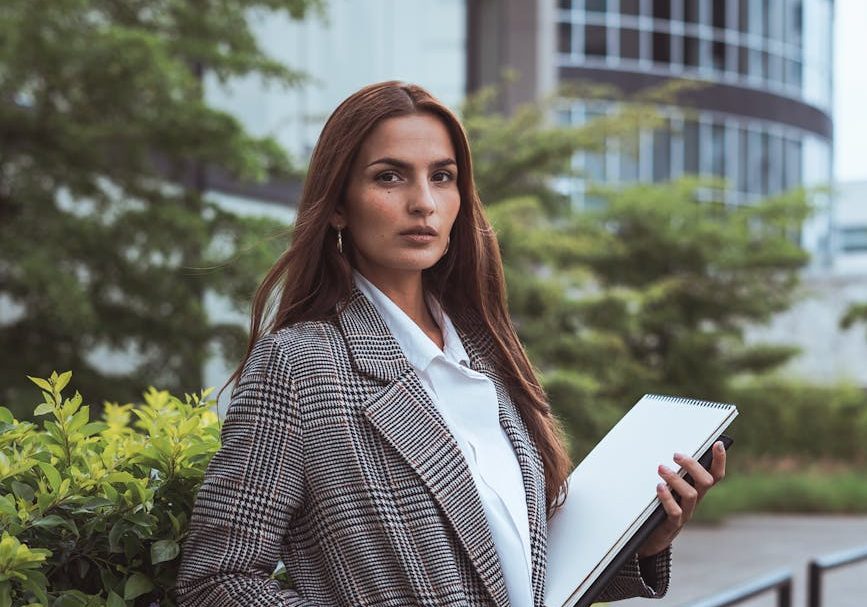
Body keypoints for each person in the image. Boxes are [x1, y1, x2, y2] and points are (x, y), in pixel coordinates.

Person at [175, 81, 726, 607]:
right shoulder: (300, 365)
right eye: (390, 177)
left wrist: (644, 539)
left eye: (442, 177)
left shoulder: (486, 358)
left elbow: (511, 573)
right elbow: (215, 580)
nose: (423, 203)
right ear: (339, 204)